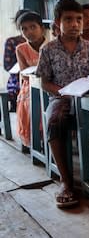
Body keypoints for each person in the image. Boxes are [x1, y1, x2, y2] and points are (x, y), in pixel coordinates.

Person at [36, 0, 89, 208]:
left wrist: (86, 91)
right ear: (57, 22)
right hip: (60, 97)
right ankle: (65, 180)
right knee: (54, 120)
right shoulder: (49, 49)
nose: (75, 24)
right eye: (69, 19)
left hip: (87, 98)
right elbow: (44, 82)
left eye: (79, 19)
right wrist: (64, 93)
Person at [15, 11, 47, 153]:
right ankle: (32, 138)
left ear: (42, 28)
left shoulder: (51, 45)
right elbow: (24, 74)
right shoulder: (21, 49)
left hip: (49, 83)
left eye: (33, 27)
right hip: (30, 85)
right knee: (27, 103)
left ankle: (47, 137)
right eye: (24, 29)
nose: (29, 32)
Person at [4, 9, 29, 111]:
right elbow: (7, 66)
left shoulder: (41, 43)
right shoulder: (12, 42)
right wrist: (22, 66)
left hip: (35, 77)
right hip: (17, 79)